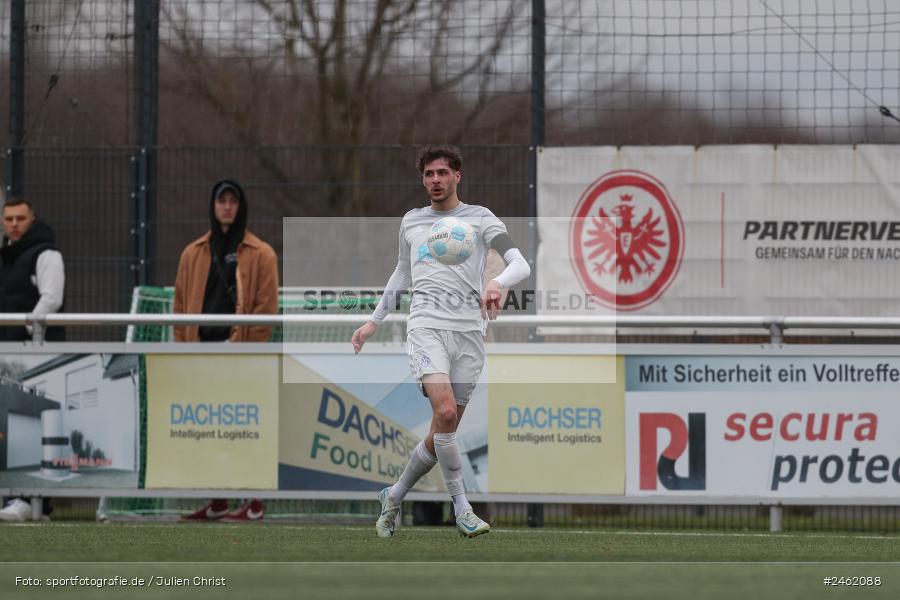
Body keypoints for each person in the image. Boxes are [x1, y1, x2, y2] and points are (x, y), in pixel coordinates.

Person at [351, 145, 530, 538]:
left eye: (442, 173)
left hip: (469, 333)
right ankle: (462, 508)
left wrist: (496, 282)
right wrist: (373, 322)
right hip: (426, 326)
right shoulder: (412, 222)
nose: (435, 180)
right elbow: (401, 272)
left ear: (457, 176)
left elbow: (521, 263)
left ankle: (394, 495)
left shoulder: (481, 219)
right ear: (423, 179)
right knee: (446, 413)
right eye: (429, 174)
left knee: (440, 430)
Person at [174, 179, 278, 522]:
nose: (227, 206)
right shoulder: (193, 252)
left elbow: (266, 309)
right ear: (213, 205)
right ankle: (218, 499)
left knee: (248, 426)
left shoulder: (261, 253)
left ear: (241, 205)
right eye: (222, 200)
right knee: (210, 427)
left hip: (241, 352)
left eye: (234, 200)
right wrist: (184, 348)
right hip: (201, 350)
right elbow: (179, 306)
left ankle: (255, 502)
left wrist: (250, 349)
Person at [0, 198, 65, 522]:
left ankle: (35, 501)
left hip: (36, 354)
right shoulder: (7, 257)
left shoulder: (47, 254)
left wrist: (27, 327)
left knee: (32, 424)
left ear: (32, 219)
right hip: (9, 355)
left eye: (20, 218)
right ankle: (16, 496)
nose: (13, 224)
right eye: (8, 218)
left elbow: (52, 298)